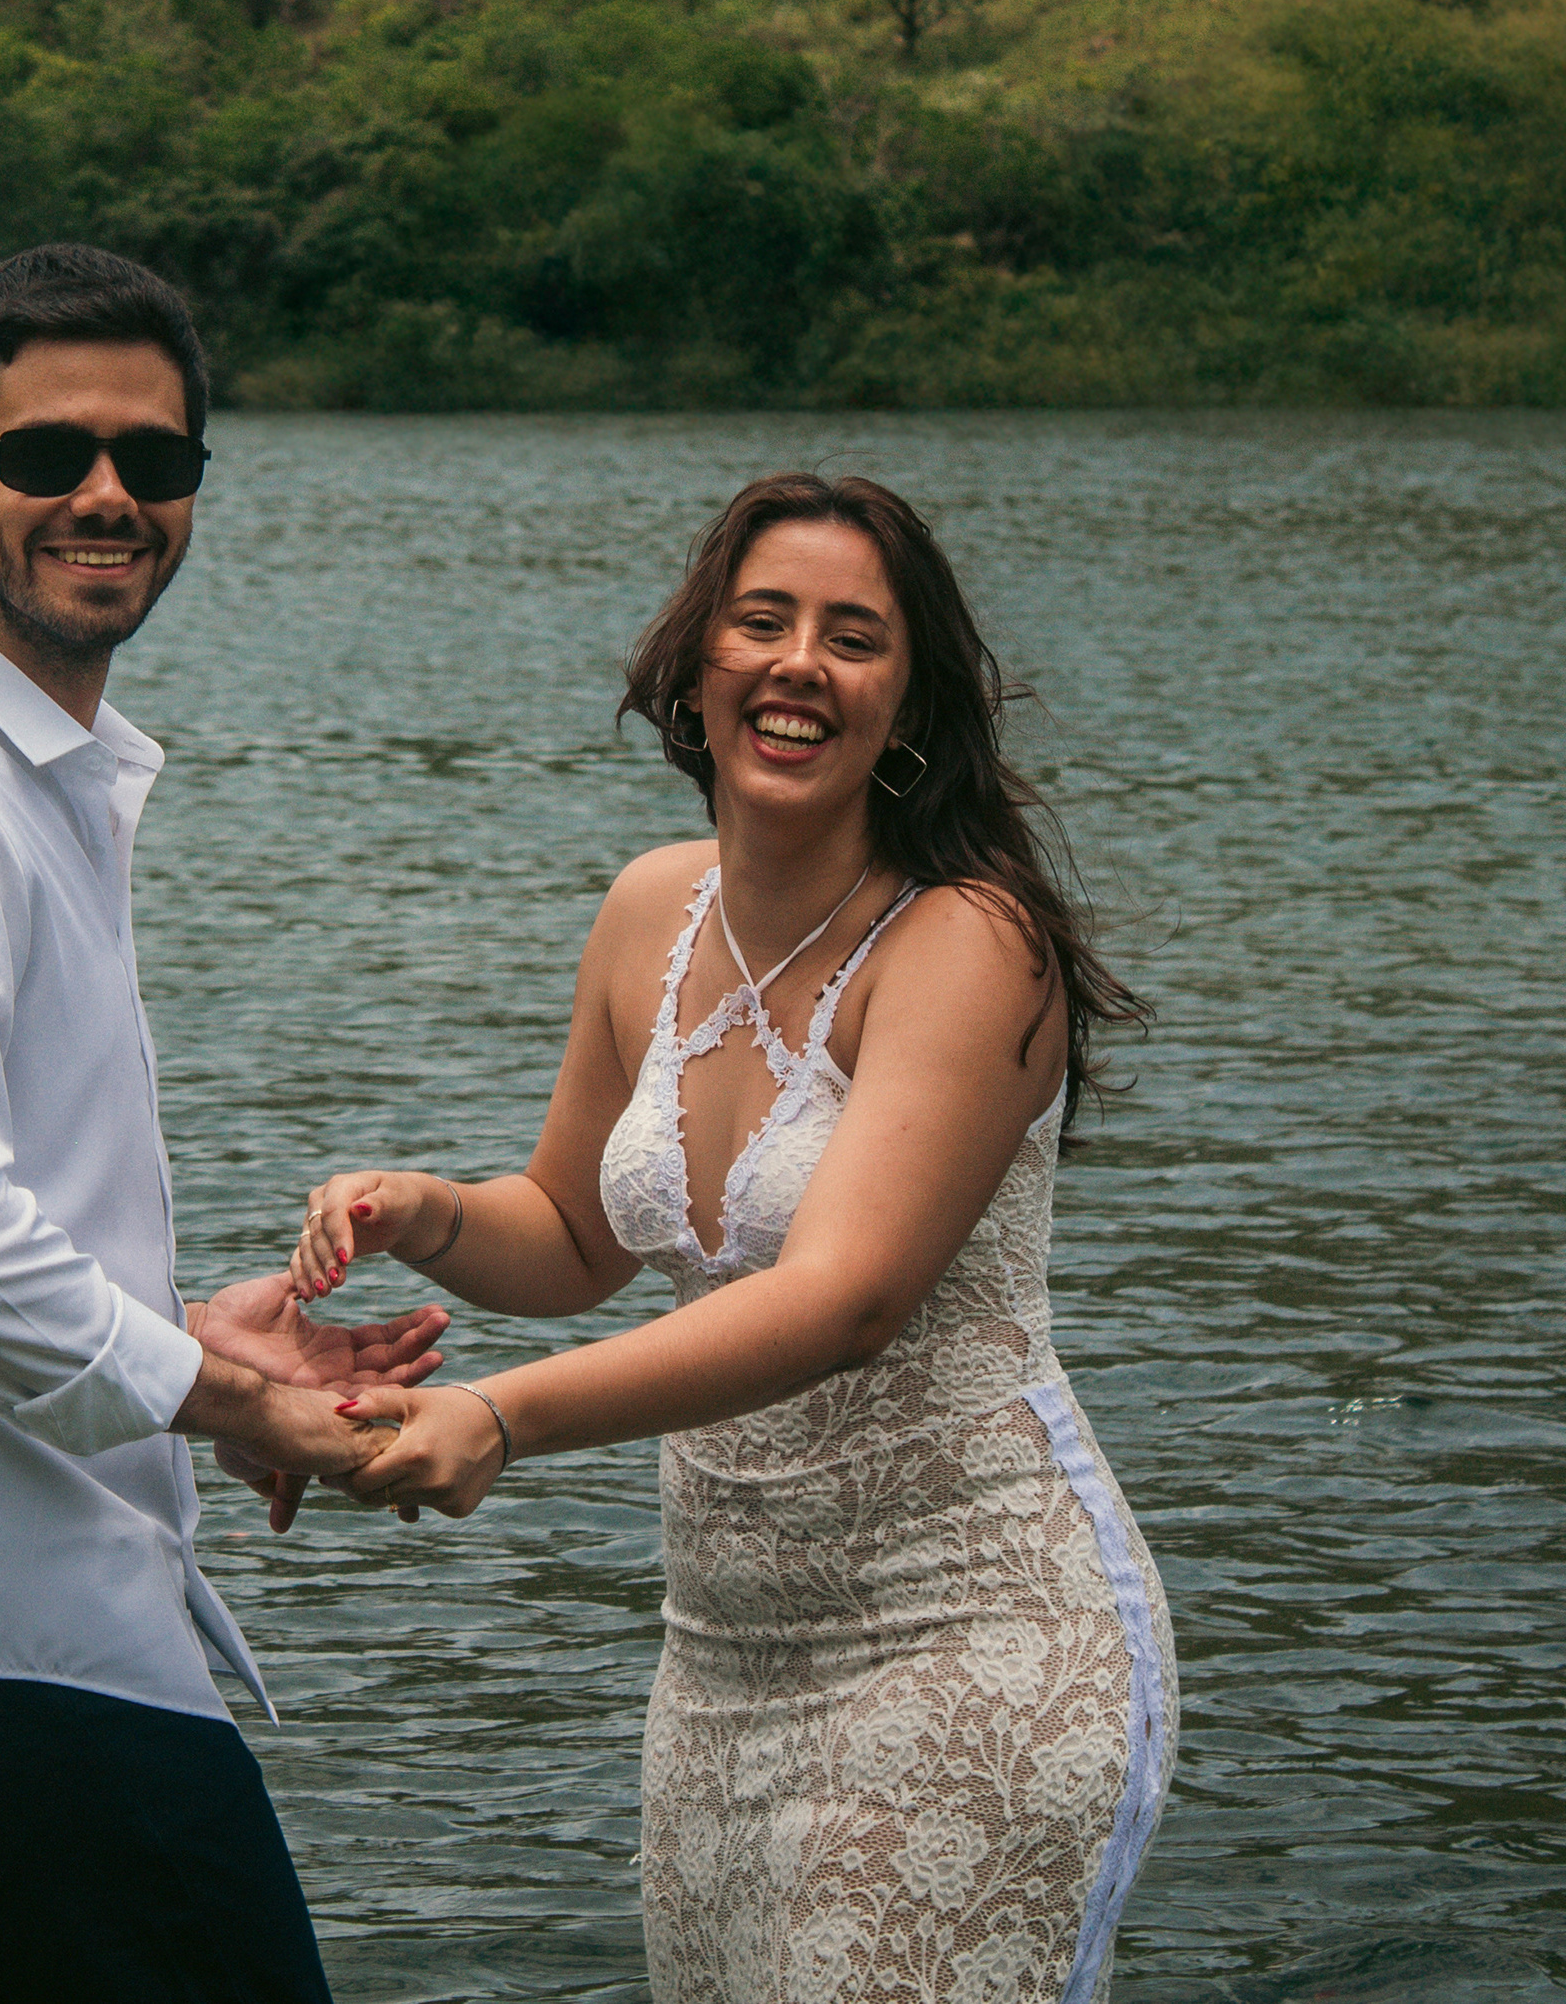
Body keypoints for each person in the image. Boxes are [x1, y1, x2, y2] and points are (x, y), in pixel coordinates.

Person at [279, 471, 1172, 2004]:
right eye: (762, 622)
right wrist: (423, 1210)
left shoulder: (970, 940)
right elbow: (574, 1232)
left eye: (854, 638)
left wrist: (500, 1415)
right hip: (719, 1666)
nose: (798, 664)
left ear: (910, 704)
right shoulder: (652, 911)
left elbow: (842, 1298)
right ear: (698, 663)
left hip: (971, 1630)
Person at [0, 243, 440, 2004]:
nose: (108, 494)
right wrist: (241, 1401)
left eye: (155, 457)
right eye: (49, 453)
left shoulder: (24, 786)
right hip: (1, 1652)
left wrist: (184, 1332)